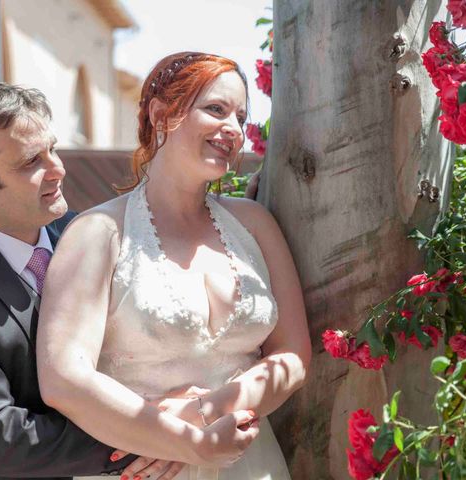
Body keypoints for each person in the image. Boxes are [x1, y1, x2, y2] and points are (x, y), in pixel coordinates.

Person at [0, 81, 222, 479]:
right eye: (31, 161)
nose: (57, 169)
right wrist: (154, 433)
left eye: (52, 148)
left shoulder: (92, 232)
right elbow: (0, 438)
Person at [37, 52, 312, 480]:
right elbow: (63, 379)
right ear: (162, 114)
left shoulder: (255, 225)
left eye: (240, 116)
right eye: (216, 109)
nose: (233, 129)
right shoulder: (98, 232)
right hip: (140, 466)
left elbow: (292, 356)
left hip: (250, 465)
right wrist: (182, 442)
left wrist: (202, 413)